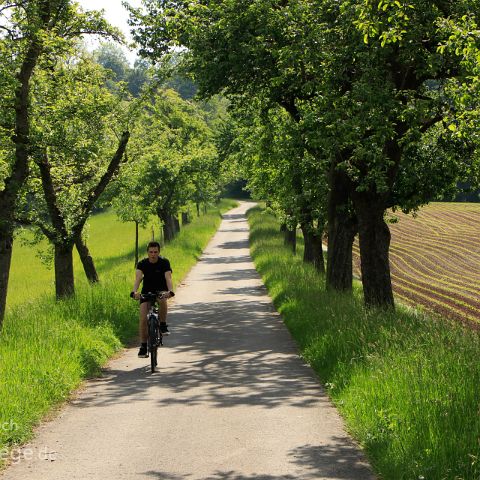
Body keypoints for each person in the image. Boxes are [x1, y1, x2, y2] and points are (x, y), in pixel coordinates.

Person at [130, 241, 174, 358]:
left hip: (161, 290)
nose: (153, 254)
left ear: (159, 252)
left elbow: (168, 277)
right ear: (147, 252)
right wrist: (134, 292)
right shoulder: (142, 264)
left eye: (155, 252)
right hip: (147, 291)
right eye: (151, 252)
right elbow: (138, 278)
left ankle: (163, 324)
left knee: (162, 299)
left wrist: (170, 291)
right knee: (143, 318)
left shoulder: (164, 262)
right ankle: (143, 346)